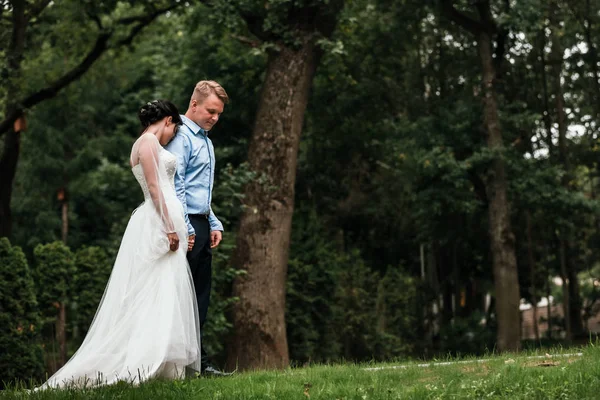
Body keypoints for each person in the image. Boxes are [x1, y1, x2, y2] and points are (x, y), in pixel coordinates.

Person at [37, 100, 201, 389]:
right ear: (167, 119)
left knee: (163, 289)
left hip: (165, 217)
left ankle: (162, 364)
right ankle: (144, 361)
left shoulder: (145, 143)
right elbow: (153, 186)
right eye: (174, 128)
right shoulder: (148, 141)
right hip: (159, 220)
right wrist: (168, 227)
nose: (173, 135)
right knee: (154, 290)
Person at [165, 81, 230, 376]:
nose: (214, 118)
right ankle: (185, 363)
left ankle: (198, 363)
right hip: (186, 226)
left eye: (218, 114)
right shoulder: (182, 138)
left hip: (201, 224)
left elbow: (199, 190)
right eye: (211, 111)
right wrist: (187, 227)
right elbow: (176, 185)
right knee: (183, 297)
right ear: (194, 105)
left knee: (200, 297)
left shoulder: (205, 140)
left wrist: (212, 221)